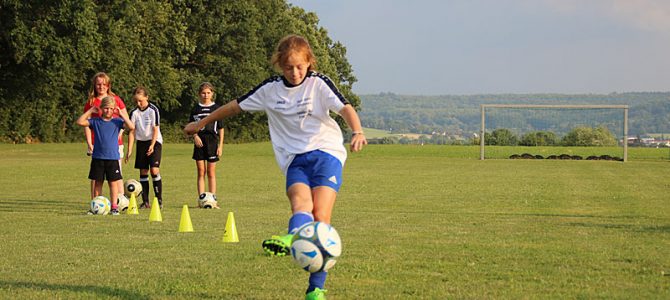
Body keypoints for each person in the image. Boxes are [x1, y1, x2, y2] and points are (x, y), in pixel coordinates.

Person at [184, 34, 367, 300]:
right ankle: (293, 237)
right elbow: (232, 108)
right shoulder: (270, 89)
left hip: (326, 153)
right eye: (289, 67)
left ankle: (316, 288)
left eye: (300, 67)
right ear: (280, 65)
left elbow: (345, 108)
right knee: (300, 204)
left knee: (322, 218)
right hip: (294, 159)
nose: (295, 72)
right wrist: (199, 125)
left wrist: (358, 131)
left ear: (309, 63)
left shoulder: (318, 83)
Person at [77, 96, 134, 215]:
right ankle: (95, 206)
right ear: (102, 108)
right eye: (106, 108)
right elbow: (80, 122)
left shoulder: (117, 122)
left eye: (111, 108)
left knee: (113, 183)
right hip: (98, 157)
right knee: (98, 183)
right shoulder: (95, 121)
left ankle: (114, 207)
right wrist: (90, 111)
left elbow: (132, 126)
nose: (108, 111)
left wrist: (122, 114)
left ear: (114, 109)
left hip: (113, 158)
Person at [84, 72, 128, 200]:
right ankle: (96, 203)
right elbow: (86, 123)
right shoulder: (92, 102)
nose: (101, 86)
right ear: (94, 85)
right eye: (98, 84)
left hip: (114, 144)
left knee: (115, 176)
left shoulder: (117, 100)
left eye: (104, 84)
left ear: (108, 85)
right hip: (97, 145)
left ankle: (118, 202)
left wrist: (119, 134)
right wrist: (89, 143)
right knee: (96, 177)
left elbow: (126, 120)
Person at [125, 87, 164, 209]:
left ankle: (159, 201)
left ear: (146, 97)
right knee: (143, 172)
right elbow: (132, 131)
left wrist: (152, 145)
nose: (138, 103)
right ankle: (146, 202)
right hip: (141, 143)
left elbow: (155, 129)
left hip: (155, 141)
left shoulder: (153, 110)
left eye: (140, 100)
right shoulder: (134, 112)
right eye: (136, 101)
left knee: (154, 170)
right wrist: (130, 149)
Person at [188, 82, 224, 206]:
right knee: (200, 171)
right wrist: (195, 136)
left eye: (208, 93)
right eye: (203, 93)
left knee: (211, 172)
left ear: (212, 94)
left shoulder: (216, 108)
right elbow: (190, 126)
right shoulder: (195, 109)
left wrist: (220, 146)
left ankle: (213, 199)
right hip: (199, 143)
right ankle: (201, 199)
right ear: (199, 94)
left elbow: (221, 128)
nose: (206, 95)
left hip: (212, 142)